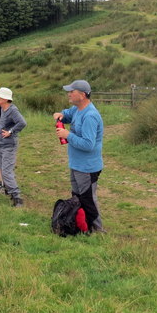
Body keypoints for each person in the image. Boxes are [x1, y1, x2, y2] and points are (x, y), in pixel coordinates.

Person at [53, 80, 104, 232]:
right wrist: (61, 114)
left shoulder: (90, 116)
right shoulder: (78, 109)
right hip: (77, 164)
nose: (69, 94)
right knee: (77, 197)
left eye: (72, 92)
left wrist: (68, 135)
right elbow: (68, 114)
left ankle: (97, 230)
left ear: (82, 95)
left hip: (87, 167)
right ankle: (83, 226)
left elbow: (88, 145)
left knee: (88, 199)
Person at [0, 87, 27, 207]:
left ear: (5, 99)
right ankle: (10, 190)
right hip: (1, 144)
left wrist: (11, 131)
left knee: (7, 172)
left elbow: (22, 122)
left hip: (9, 145)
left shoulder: (12, 110)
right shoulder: (3, 108)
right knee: (3, 170)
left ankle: (17, 197)